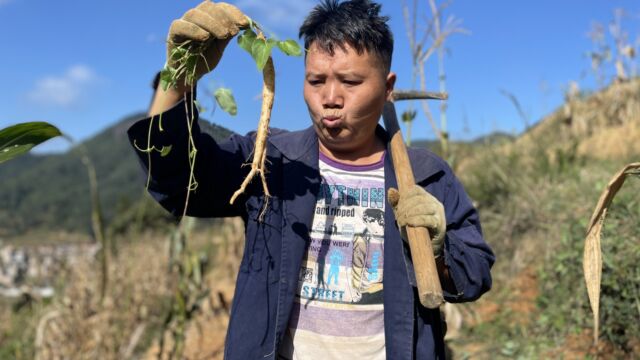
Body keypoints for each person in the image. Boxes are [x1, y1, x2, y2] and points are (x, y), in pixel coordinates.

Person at [128, 1, 495, 359]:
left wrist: (437, 252)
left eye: (350, 81)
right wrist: (178, 77)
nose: (330, 98)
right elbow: (178, 182)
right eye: (316, 80)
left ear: (387, 88)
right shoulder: (271, 160)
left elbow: (475, 274)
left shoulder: (425, 175)